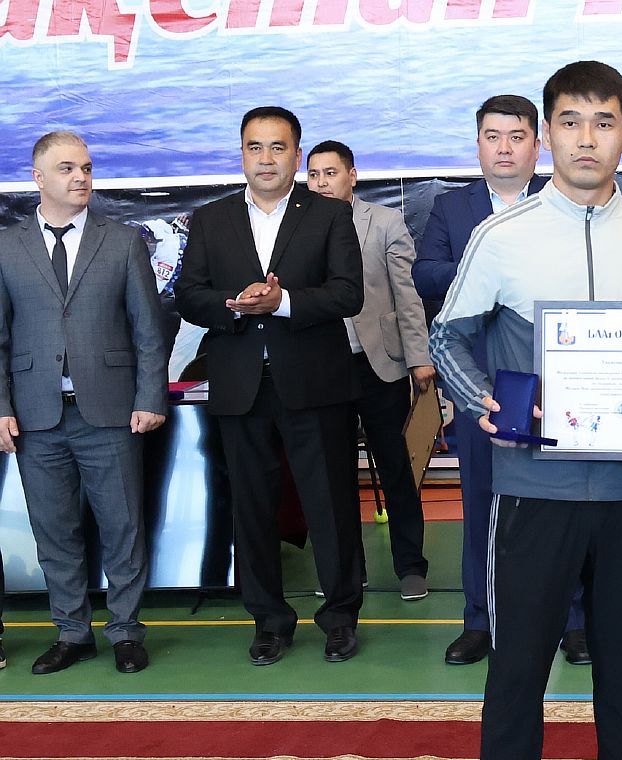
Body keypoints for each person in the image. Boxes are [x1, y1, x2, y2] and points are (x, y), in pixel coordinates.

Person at [429, 61, 622, 760]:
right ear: (547, 134)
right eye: (571, 121)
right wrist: (486, 406)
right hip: (531, 493)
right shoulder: (503, 235)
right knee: (517, 673)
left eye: (604, 121)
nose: (587, 137)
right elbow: (447, 339)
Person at [175, 106, 366, 666]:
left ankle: (340, 617)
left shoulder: (329, 214)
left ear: (296, 155)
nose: (266, 158)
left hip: (315, 383)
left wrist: (283, 302)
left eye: (278, 147)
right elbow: (188, 295)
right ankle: (269, 621)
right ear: (241, 154)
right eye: (255, 147)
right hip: (240, 386)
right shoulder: (211, 219)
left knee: (330, 505)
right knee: (252, 508)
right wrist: (232, 305)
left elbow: (348, 293)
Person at [412, 95, 589, 666]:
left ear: (538, 146)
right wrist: (492, 265)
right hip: (477, 382)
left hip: (554, 382)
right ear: (478, 146)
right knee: (483, 503)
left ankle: (573, 620)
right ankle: (480, 620)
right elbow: (424, 274)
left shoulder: (565, 202)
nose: (505, 148)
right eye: (493, 137)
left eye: (517, 137)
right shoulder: (452, 207)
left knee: (564, 507)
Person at [0, 131, 168, 674]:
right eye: (68, 168)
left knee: (123, 526)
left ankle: (126, 631)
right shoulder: (7, 246)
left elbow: (149, 330)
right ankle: (72, 633)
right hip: (35, 414)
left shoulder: (122, 241)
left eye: (87, 168)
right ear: (38, 178)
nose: (81, 177)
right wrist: (1, 406)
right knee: (54, 531)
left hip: (112, 410)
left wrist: (150, 396)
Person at [306, 139, 435, 602]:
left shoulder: (384, 222)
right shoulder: (296, 228)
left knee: (396, 469)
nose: (322, 183)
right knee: (334, 477)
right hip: (323, 369)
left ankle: (410, 566)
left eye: (331, 173)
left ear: (352, 176)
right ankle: (347, 572)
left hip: (380, 365)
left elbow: (408, 296)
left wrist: (419, 358)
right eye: (314, 175)